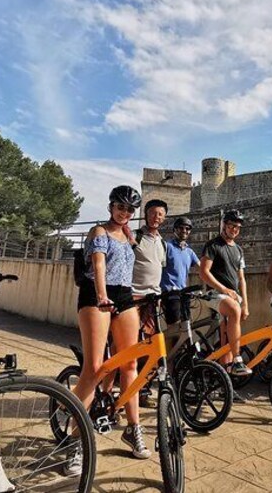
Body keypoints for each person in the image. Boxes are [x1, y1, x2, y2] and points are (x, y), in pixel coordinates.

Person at [66, 185, 150, 476]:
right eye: (120, 207)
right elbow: (99, 265)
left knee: (130, 365)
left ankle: (133, 428)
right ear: (111, 206)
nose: (124, 213)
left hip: (125, 295)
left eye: (129, 210)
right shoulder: (98, 232)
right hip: (95, 295)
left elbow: (129, 270)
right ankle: (75, 441)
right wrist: (102, 295)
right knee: (95, 367)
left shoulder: (128, 236)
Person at [199, 209, 252, 375]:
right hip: (215, 294)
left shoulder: (239, 250)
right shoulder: (213, 245)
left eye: (237, 227)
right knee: (234, 310)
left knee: (227, 339)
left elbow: (241, 279)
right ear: (224, 225)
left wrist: (246, 305)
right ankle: (238, 360)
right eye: (231, 226)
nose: (234, 229)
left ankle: (225, 381)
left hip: (232, 296)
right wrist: (224, 289)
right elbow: (204, 272)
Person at [130, 198, 167, 407]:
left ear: (164, 217)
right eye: (153, 213)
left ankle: (142, 390)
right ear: (145, 214)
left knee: (151, 346)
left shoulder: (162, 243)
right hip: (134, 298)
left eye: (160, 214)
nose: (156, 217)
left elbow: (158, 268)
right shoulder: (135, 237)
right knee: (130, 345)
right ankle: (125, 388)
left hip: (153, 300)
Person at [161, 216, 200, 293]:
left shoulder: (190, 252)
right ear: (174, 230)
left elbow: (202, 269)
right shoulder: (167, 246)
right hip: (168, 292)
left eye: (187, 228)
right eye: (181, 228)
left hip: (182, 292)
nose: (184, 230)